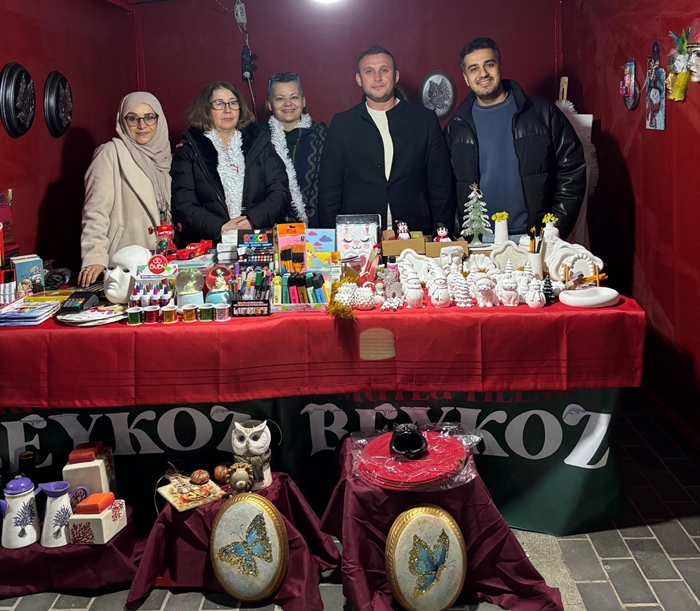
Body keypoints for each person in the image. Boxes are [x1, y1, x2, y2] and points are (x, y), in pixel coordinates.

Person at [445, 37, 586, 240]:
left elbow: (572, 171)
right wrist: (456, 234)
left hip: (533, 238)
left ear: (500, 67)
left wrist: (554, 229)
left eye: (489, 64)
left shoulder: (542, 113)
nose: (483, 73)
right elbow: (446, 186)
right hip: (478, 239)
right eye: (474, 68)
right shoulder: (457, 127)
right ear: (466, 78)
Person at [318, 46, 455, 236]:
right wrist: (333, 239)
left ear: (395, 76)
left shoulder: (424, 121)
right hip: (358, 238)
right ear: (359, 79)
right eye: (369, 71)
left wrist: (442, 235)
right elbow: (329, 191)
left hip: (416, 233)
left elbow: (441, 185)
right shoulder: (342, 124)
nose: (377, 77)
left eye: (384, 70)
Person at [171, 81, 289, 246]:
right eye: (219, 103)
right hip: (209, 245)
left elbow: (280, 192)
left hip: (257, 241)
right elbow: (183, 205)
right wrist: (221, 227)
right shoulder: (189, 150)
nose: (228, 110)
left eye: (233, 103)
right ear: (205, 109)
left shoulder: (260, 143)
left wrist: (252, 220)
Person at [78, 92, 172, 287]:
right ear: (122, 121)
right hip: (125, 263)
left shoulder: (166, 158)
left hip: (162, 261)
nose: (142, 125)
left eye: (149, 117)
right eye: (132, 118)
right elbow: (95, 212)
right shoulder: (110, 153)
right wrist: (94, 256)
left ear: (159, 120)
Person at [262, 72, 327, 226]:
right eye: (280, 98)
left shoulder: (321, 133)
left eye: (294, 97)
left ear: (303, 101)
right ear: (270, 104)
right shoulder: (258, 137)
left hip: (317, 227)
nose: (288, 104)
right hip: (271, 227)